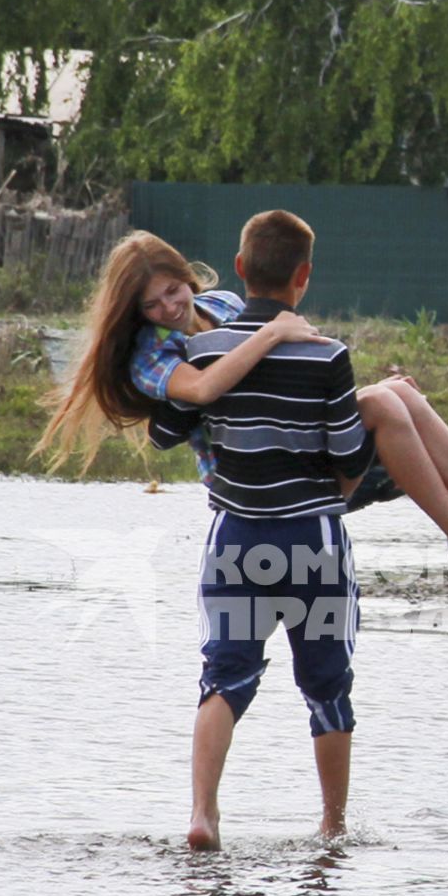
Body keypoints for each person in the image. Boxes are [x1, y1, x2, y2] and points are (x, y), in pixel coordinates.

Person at [34, 231, 448, 585]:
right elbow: (201, 390)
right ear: (137, 311)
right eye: (152, 304)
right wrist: (271, 332)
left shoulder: (221, 305)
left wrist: (286, 343)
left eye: (174, 290)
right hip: (254, 478)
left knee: (399, 394)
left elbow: (299, 366)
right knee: (382, 401)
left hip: (298, 441)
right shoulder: (150, 351)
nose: (170, 307)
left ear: (188, 279)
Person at [156, 210, 368, 849]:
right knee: (328, 687)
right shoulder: (328, 354)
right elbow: (351, 456)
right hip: (315, 545)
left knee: (225, 677)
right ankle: (332, 827)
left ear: (241, 268)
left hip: (236, 543)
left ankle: (203, 814)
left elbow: (164, 430)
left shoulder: (201, 353)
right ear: (303, 278)